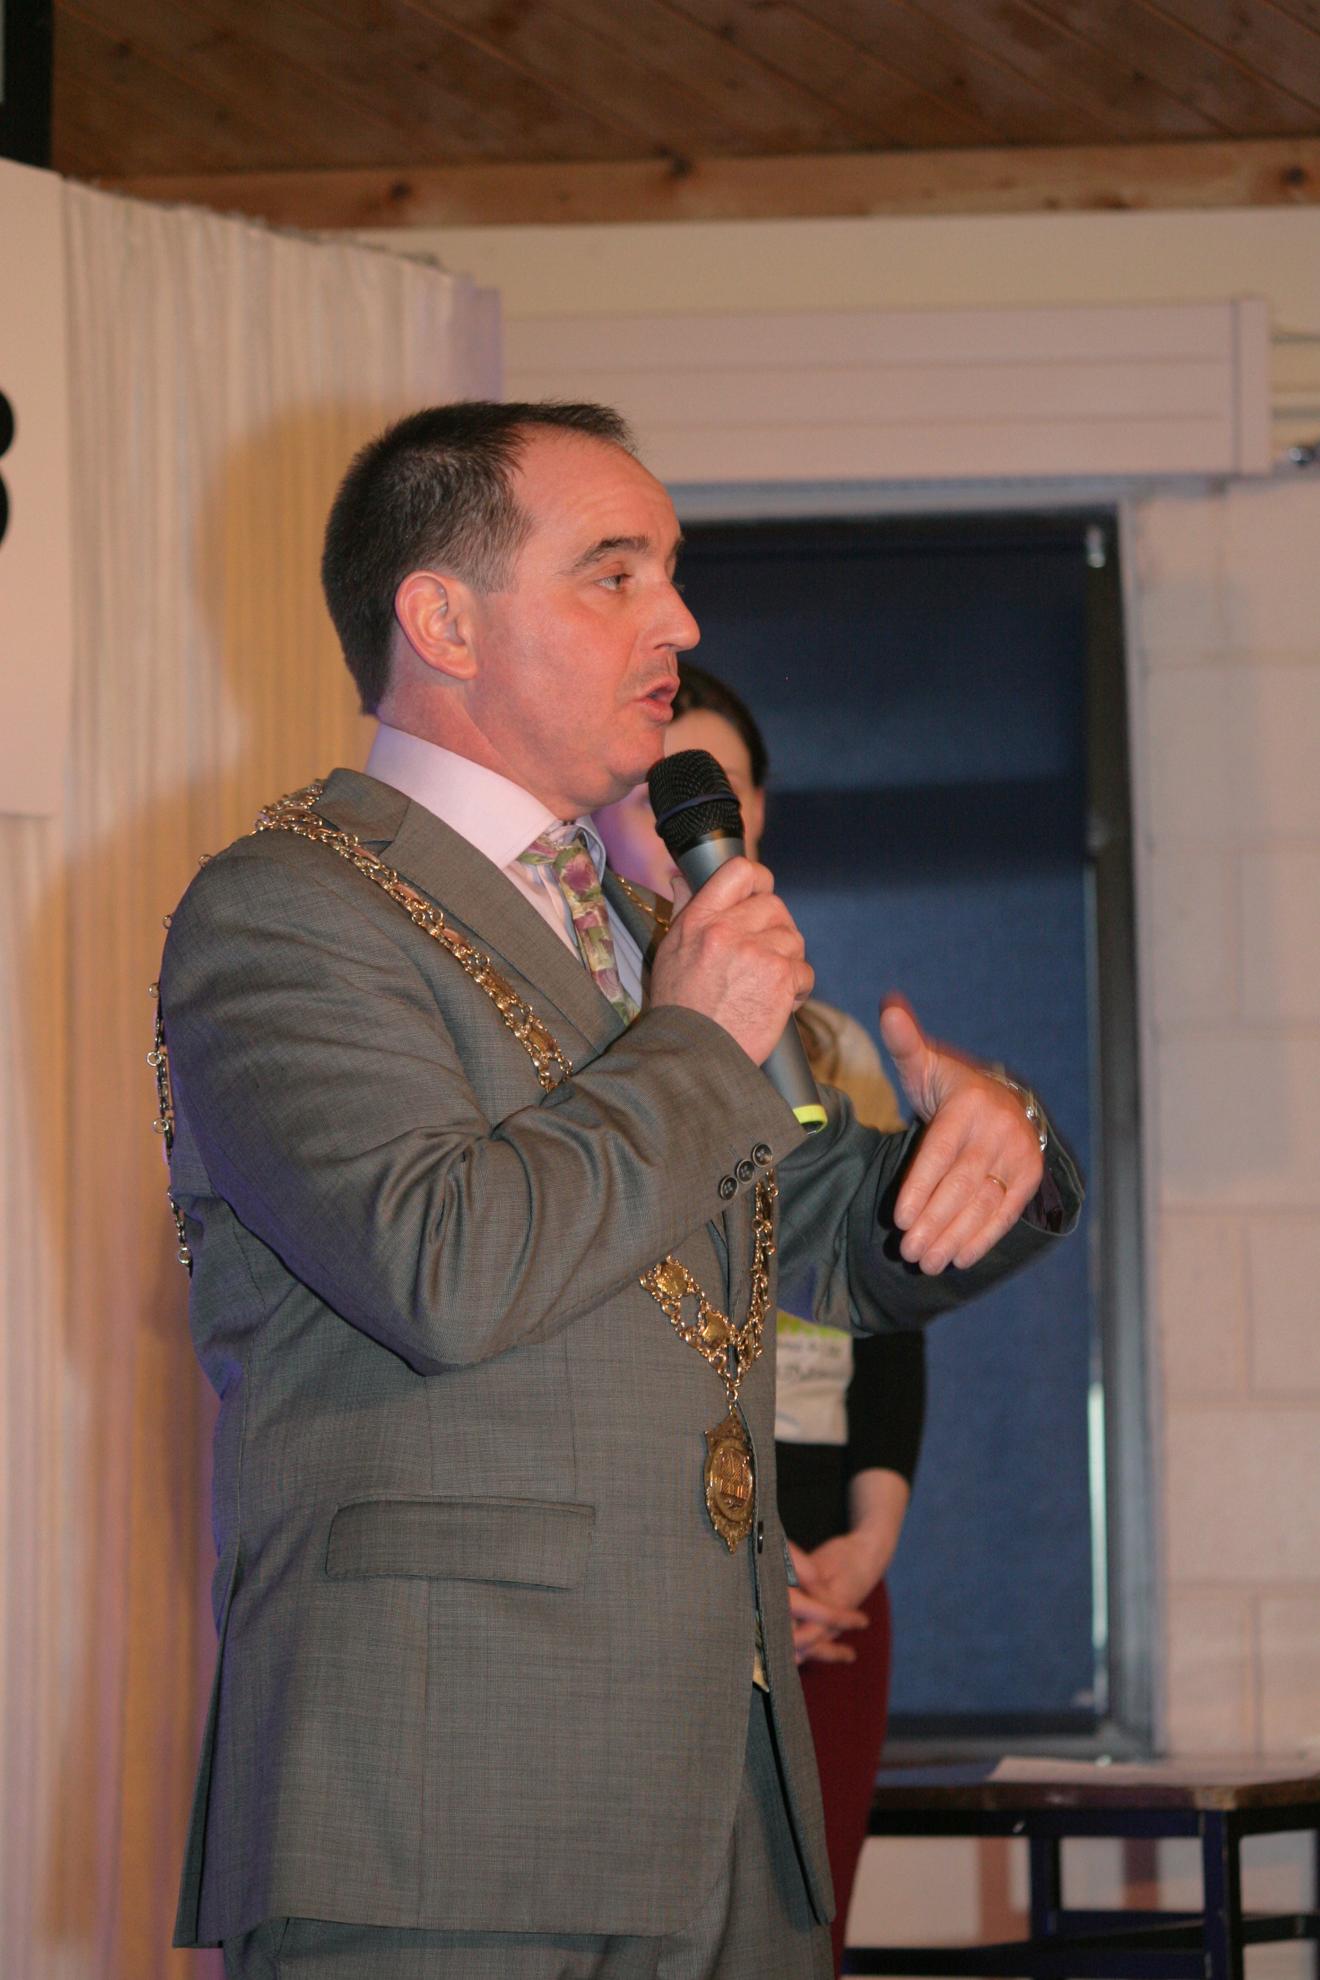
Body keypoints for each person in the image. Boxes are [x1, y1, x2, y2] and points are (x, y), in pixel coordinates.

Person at [156, 400, 1081, 1979]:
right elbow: (442, 1264)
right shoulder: (287, 911)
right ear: (444, 621)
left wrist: (991, 1153)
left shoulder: (634, 937)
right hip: (443, 1804)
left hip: (717, 1796)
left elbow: (813, 1237)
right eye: (616, 573)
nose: (682, 621)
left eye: (672, 570)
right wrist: (701, 1040)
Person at [596, 664, 924, 1973]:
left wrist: (869, 1537)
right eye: (651, 790)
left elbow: (881, 1314)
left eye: (713, 792)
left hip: (829, 1583)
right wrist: (733, 1559)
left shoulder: (827, 1049)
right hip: (664, 1567)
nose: (680, 822)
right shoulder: (597, 1042)